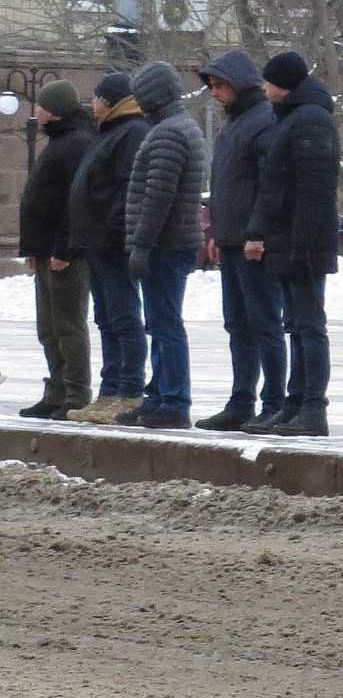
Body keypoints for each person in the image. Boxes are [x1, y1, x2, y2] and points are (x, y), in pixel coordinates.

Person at [245, 52, 340, 437]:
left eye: (269, 82)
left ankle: (312, 406)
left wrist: (302, 243)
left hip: (304, 242)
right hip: (289, 238)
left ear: (283, 83)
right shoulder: (293, 117)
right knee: (297, 325)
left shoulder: (310, 120)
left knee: (309, 325)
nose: (264, 90)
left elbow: (313, 190)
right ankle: (295, 402)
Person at [192, 50, 283, 430]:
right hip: (232, 239)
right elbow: (227, 184)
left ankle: (273, 401)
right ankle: (241, 400)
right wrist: (216, 232)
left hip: (253, 243)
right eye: (211, 86)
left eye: (219, 85)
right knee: (238, 324)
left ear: (238, 83)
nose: (213, 92)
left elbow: (268, 184)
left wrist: (256, 233)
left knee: (263, 322)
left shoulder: (262, 121)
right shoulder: (234, 123)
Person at [117, 61, 207, 430]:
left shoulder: (168, 134)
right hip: (172, 242)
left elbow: (157, 196)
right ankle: (160, 395)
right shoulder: (177, 128)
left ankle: (173, 400)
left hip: (165, 245)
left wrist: (141, 245)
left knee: (165, 323)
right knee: (160, 322)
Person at [64, 74, 147, 424]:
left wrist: (111, 232)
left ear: (110, 100)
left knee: (124, 317)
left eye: (96, 96)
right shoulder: (107, 132)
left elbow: (126, 189)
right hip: (94, 241)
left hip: (111, 242)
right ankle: (110, 388)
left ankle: (129, 390)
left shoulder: (131, 132)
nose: (91, 102)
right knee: (106, 318)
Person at [17, 79, 96, 419]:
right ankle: (57, 390)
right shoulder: (60, 141)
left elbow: (75, 203)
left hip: (63, 252)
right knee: (48, 326)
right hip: (45, 249)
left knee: (67, 325)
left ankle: (76, 393)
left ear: (53, 109)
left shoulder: (77, 143)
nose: (35, 110)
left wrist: (64, 249)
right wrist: (35, 249)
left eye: (40, 105)